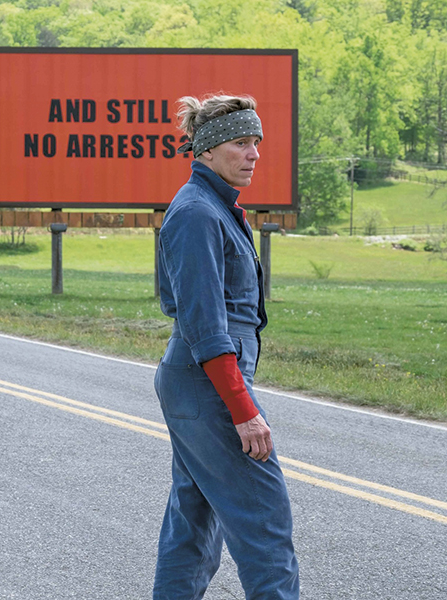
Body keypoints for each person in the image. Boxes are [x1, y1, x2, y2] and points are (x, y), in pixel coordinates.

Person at [153, 94, 299, 600]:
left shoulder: (215, 207)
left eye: (257, 142)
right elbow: (206, 327)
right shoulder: (197, 213)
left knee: (193, 524)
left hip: (201, 381)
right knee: (264, 522)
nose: (254, 153)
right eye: (241, 142)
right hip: (206, 383)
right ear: (208, 151)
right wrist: (243, 410)